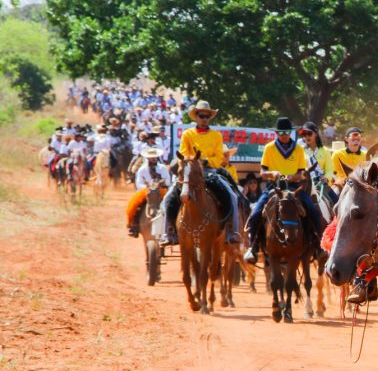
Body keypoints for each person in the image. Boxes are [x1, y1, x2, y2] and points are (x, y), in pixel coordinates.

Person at [159, 101, 242, 245]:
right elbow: (183, 153)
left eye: (206, 116)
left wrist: (204, 161)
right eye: (201, 115)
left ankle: (231, 231)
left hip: (210, 171)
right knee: (168, 197)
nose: (204, 118)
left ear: (210, 118)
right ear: (196, 117)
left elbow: (218, 157)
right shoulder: (187, 134)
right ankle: (169, 231)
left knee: (232, 196)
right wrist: (193, 162)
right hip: (190, 172)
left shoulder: (216, 135)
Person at [243, 117, 324, 263]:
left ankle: (319, 245)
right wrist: (272, 174)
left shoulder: (298, 149)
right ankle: (252, 247)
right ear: (276, 133)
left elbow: (301, 173)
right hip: (273, 187)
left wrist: (294, 176)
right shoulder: (269, 148)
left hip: (294, 188)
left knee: (313, 211)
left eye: (287, 132)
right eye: (281, 132)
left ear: (291, 133)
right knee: (255, 214)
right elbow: (262, 172)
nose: (284, 135)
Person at [127, 148, 172, 237]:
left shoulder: (162, 168)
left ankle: (171, 225)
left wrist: (160, 185)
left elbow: (168, 181)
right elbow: (138, 183)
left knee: (171, 203)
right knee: (134, 205)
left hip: (161, 190)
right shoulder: (142, 169)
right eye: (151, 157)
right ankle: (133, 225)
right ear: (147, 158)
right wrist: (149, 187)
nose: (153, 158)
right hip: (146, 190)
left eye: (154, 157)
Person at [298, 121, 337, 202]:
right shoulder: (299, 151)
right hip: (305, 183)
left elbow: (330, 169)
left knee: (337, 201)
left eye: (309, 134)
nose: (307, 136)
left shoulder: (325, 151)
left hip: (321, 183)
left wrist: (326, 177)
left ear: (315, 134)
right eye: (304, 134)